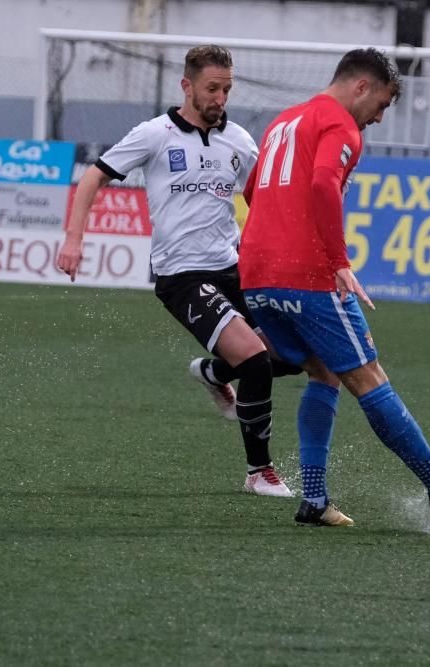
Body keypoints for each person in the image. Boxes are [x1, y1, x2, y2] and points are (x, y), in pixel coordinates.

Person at [238, 48, 430, 526]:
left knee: (323, 373)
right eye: (382, 105)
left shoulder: (285, 120)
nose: (379, 118)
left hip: (257, 277)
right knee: (369, 378)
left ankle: (315, 499)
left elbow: (253, 190)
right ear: (361, 86)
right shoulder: (340, 125)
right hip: (307, 275)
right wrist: (338, 261)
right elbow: (322, 183)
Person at [56, 44, 297, 498]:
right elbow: (93, 177)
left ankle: (214, 374)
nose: (220, 97)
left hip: (234, 270)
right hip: (182, 277)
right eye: (212, 88)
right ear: (187, 86)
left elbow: (263, 203)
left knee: (294, 354)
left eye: (226, 89)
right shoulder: (155, 134)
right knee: (256, 361)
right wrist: (73, 238)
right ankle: (258, 473)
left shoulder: (240, 141)